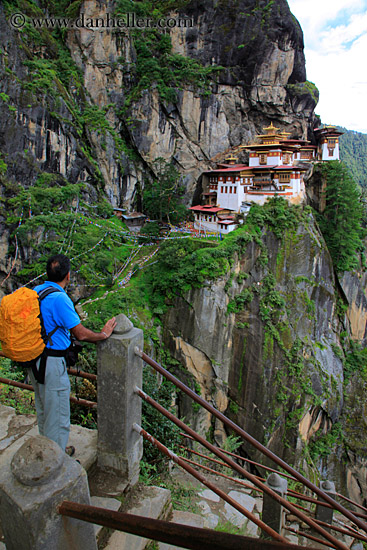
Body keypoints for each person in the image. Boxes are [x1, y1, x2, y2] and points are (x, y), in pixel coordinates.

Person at [29, 254, 116, 455]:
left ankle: (49, 449)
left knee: (44, 408)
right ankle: (57, 462)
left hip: (35, 359)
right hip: (52, 362)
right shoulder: (60, 298)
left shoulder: (37, 291)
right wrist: (103, 334)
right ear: (68, 275)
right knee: (58, 413)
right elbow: (80, 333)